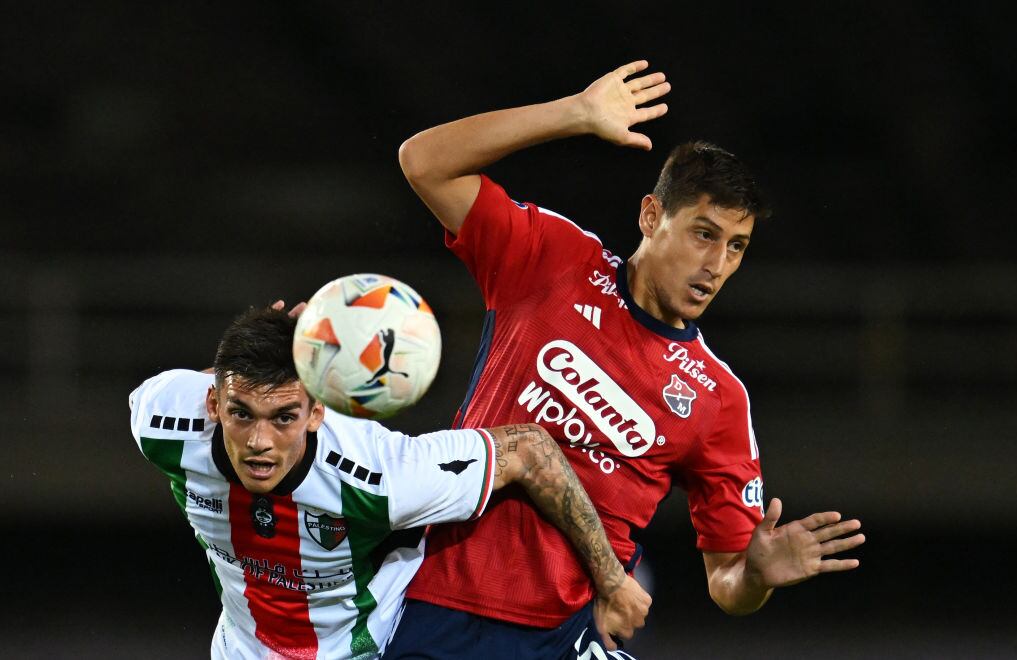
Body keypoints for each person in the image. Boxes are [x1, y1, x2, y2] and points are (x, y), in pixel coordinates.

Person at [385, 60, 866, 659]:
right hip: (444, 603)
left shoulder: (718, 398)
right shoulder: (553, 261)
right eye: (703, 233)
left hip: (574, 631)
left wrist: (757, 577)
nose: (716, 265)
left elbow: (727, 585)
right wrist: (575, 113)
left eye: (736, 246)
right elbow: (423, 161)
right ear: (649, 216)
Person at [129, 302, 649, 660]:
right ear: (214, 404)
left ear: (317, 413)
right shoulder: (163, 420)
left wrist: (610, 579)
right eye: (241, 414)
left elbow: (532, 450)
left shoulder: (382, 475)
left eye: (284, 417)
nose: (260, 442)